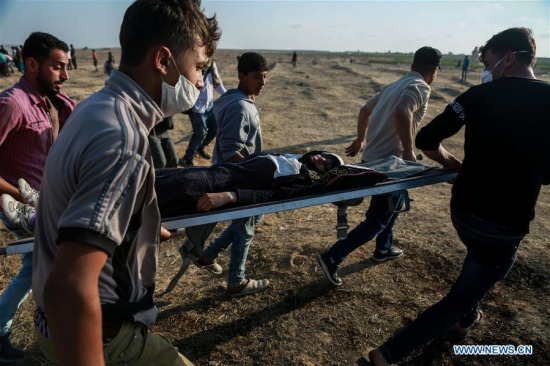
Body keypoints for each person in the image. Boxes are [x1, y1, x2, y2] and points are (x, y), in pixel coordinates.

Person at [31, 1, 220, 365]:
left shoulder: (96, 108)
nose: (199, 82)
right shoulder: (123, 139)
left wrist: (138, 228)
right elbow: (69, 290)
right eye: (198, 67)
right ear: (163, 61)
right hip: (99, 336)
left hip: (54, 329)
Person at [363, 27, 550, 366]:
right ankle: (388, 354)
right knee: (462, 294)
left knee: (476, 269)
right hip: (503, 224)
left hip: (463, 212)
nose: (485, 69)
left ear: (509, 58)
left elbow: (427, 139)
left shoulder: (477, 95)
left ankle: (466, 320)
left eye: (489, 60)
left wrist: (453, 163)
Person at [316, 46, 442, 286]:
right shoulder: (421, 87)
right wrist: (407, 151)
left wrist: (361, 139)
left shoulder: (395, 84)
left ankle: (383, 248)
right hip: (390, 164)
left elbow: (365, 110)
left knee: (395, 204)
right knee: (378, 219)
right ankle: (333, 256)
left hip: (374, 158)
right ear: (434, 71)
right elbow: (402, 112)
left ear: (413, 65)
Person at [0, 32, 75, 363]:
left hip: (44, 202)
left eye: (67, 67)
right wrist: (23, 196)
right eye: (58, 67)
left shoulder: (47, 102)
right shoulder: (12, 104)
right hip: (21, 206)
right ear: (32, 65)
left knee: (40, 268)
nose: (66, 75)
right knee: (43, 267)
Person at [196, 52, 269, 297]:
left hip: (235, 175)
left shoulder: (234, 99)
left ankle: (209, 254)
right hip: (239, 177)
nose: (262, 83)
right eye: (257, 77)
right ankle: (236, 281)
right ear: (241, 76)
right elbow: (230, 152)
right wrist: (256, 171)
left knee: (251, 219)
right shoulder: (239, 106)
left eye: (265, 77)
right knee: (246, 226)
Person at [179, 58, 226, 167]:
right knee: (200, 134)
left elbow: (217, 83)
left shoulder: (212, 64)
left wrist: (227, 95)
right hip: (196, 108)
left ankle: (200, 148)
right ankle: (187, 158)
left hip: (209, 107)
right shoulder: (193, 63)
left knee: (215, 128)